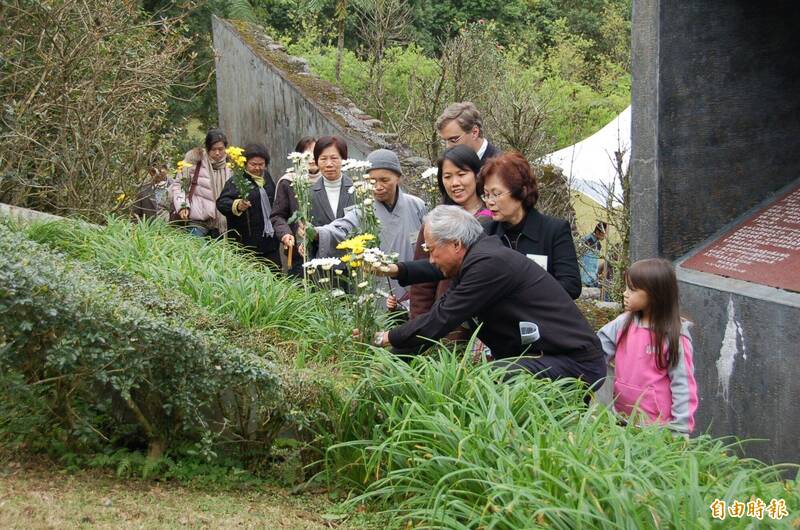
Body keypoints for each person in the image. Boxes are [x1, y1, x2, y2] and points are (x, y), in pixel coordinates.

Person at [373, 206, 606, 390]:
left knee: (489, 378)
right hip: (545, 356)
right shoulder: (476, 259)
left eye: (432, 250)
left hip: (573, 362)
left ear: (456, 244)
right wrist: (387, 365)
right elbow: (437, 322)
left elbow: (441, 318)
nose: (431, 258)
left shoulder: (487, 265)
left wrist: (387, 338)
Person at [311, 149, 427, 304]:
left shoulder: (417, 205)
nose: (378, 186)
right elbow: (341, 229)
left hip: (413, 287)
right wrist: (316, 233)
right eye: (372, 181)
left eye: (384, 180)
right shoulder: (362, 211)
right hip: (378, 289)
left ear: (398, 178)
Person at [597, 259, 698, 434]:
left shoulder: (673, 336)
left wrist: (680, 430)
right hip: (621, 419)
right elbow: (596, 352)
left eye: (632, 289)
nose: (625, 293)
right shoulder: (622, 324)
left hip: (656, 428)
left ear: (655, 295)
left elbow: (683, 385)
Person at [403, 145, 492, 322]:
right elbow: (422, 284)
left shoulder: (494, 219)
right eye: (447, 176)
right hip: (445, 324)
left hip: (485, 323)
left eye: (461, 174)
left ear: (476, 174)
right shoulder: (435, 223)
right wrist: (420, 328)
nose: (455, 183)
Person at [481, 152, 582, 299]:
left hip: (542, 318)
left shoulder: (554, 230)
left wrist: (523, 295)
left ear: (521, 191)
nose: (490, 201)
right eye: (486, 194)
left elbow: (571, 285)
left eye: (496, 194)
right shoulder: (486, 233)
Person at [216, 143, 281, 266]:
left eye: (261, 164)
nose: (257, 168)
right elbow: (221, 203)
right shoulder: (237, 181)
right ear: (245, 163)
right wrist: (237, 205)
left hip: (270, 242)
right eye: (253, 164)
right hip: (246, 244)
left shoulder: (267, 178)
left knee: (275, 275)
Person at [270, 136, 325, 274]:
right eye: (307, 154)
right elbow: (277, 216)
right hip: (298, 252)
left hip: (326, 249)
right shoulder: (288, 182)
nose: (312, 158)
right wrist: (286, 234)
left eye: (315, 153)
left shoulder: (330, 180)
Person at [171, 128, 232, 238]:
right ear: (207, 149)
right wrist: (182, 206)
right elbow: (179, 185)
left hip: (223, 225)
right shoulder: (195, 161)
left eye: (221, 149)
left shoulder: (231, 165)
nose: (218, 153)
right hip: (198, 222)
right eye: (213, 149)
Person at [436, 102, 501, 165]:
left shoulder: (499, 167)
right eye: (444, 141)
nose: (448, 147)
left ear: (474, 133)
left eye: (453, 140)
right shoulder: (454, 166)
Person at [581, 222, 607, 287]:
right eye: (603, 233)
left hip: (593, 279)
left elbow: (594, 263)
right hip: (584, 279)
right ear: (598, 231)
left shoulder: (598, 245)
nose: (605, 236)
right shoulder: (587, 241)